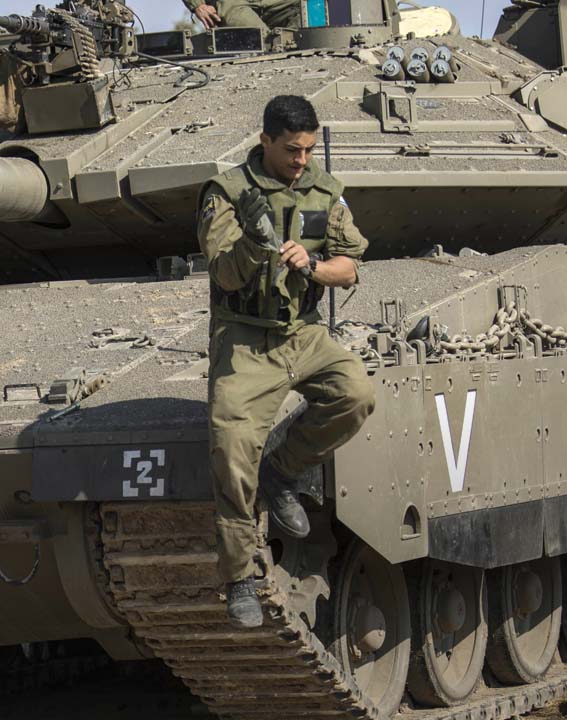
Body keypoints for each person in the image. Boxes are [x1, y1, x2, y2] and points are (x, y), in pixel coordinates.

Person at [198, 95, 375, 628]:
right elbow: (225, 274)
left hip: (303, 331)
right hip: (246, 338)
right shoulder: (228, 193)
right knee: (232, 447)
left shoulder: (324, 189)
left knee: (356, 394)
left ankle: (282, 472)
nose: (301, 160)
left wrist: (313, 264)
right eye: (292, 150)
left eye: (308, 150)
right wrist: (256, 243)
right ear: (265, 141)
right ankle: (239, 578)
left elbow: (350, 267)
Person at [182, 0, 299, 31]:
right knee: (258, 39)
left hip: (278, 3)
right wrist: (198, 5)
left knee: (305, 14)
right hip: (234, 4)